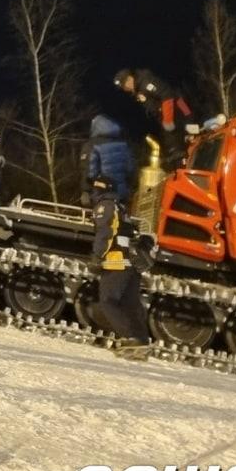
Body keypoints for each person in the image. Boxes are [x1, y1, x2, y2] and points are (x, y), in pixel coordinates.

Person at [83, 114, 152, 354]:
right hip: (129, 263)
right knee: (130, 302)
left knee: (109, 302)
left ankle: (131, 338)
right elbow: (132, 172)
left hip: (115, 262)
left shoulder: (105, 207)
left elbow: (105, 233)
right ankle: (142, 341)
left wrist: (96, 259)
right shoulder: (121, 208)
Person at [113, 68, 197, 167]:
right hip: (165, 120)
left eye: (124, 84)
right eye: (123, 87)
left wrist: (168, 120)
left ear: (129, 79)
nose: (125, 88)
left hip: (177, 113)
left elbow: (167, 96)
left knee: (182, 145)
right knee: (173, 148)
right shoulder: (137, 91)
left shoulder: (146, 82)